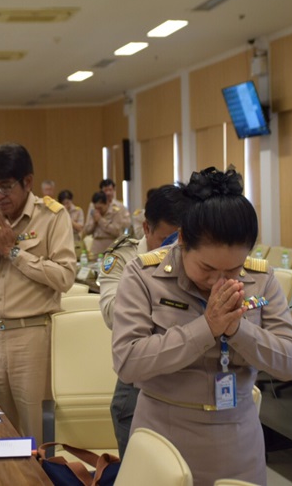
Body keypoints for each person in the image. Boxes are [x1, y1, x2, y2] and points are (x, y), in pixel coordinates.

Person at [111, 166, 292, 486]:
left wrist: (238, 331)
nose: (220, 281)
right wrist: (206, 328)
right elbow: (128, 362)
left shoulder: (261, 278)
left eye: (234, 269)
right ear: (182, 240)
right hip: (162, 441)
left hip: (237, 443)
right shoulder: (144, 276)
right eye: (208, 268)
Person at [0, 143, 76, 443]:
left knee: (34, 431)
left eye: (6, 187)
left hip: (32, 336)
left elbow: (64, 277)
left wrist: (14, 252)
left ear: (27, 181)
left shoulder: (52, 216)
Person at [99, 184, 184, 458]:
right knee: (140, 463)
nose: (175, 249)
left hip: (186, 368)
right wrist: (153, 289)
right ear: (146, 228)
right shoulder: (122, 256)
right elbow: (111, 314)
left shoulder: (194, 254)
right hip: (141, 370)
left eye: (181, 239)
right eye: (166, 240)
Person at [83, 179, 131, 257]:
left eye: (110, 190)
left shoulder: (118, 207)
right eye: (105, 190)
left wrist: (102, 221)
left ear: (114, 190)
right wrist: (95, 221)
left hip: (113, 242)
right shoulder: (93, 205)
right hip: (97, 243)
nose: (108, 193)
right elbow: (87, 229)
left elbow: (126, 224)